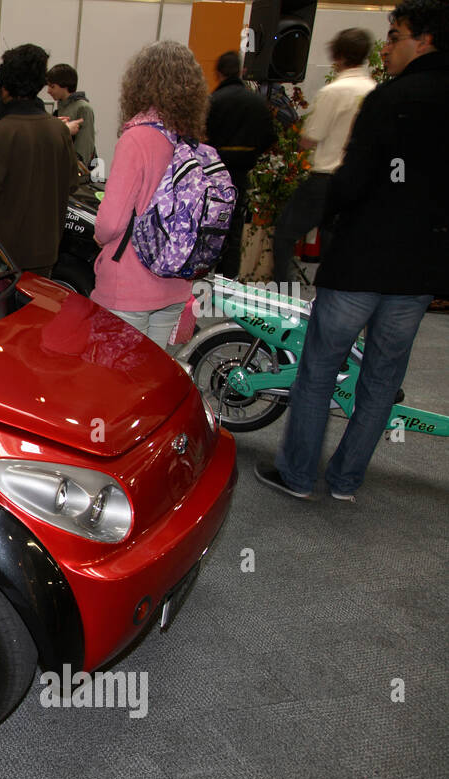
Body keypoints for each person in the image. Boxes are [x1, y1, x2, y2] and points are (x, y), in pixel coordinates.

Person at [256, 0, 448, 503]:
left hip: (361, 261)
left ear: (424, 39)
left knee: (320, 370)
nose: (387, 47)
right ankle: (345, 480)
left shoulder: (391, 99)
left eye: (395, 36)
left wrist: (336, 213)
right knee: (383, 381)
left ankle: (298, 475)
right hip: (416, 271)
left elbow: (354, 180)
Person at [90, 40, 210, 348]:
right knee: (153, 379)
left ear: (140, 84)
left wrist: (99, 236)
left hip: (129, 283)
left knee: (116, 379)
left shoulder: (137, 138)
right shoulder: (191, 141)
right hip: (176, 282)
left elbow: (112, 222)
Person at [271, 30, 375, 283]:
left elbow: (310, 138)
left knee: (284, 234)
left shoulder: (334, 91)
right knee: (336, 240)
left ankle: (283, 296)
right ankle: (331, 293)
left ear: (337, 55)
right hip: (360, 179)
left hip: (326, 178)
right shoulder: (375, 90)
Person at [0, 44, 77, 277]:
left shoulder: (0, 133)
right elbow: (71, 182)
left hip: (6, 256)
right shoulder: (58, 131)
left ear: (5, 87)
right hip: (47, 253)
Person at [205, 51, 276, 279]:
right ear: (241, 71)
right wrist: (252, 153)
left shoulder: (214, 101)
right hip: (240, 172)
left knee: (208, 222)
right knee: (234, 226)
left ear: (218, 72)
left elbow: (200, 136)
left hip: (213, 172)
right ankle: (229, 278)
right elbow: (270, 137)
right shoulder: (255, 102)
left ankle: (205, 274)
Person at [46, 63, 96, 169]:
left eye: (52, 86)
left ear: (65, 85)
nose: (48, 91)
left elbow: (85, 146)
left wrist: (76, 169)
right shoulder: (59, 109)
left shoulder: (83, 108)